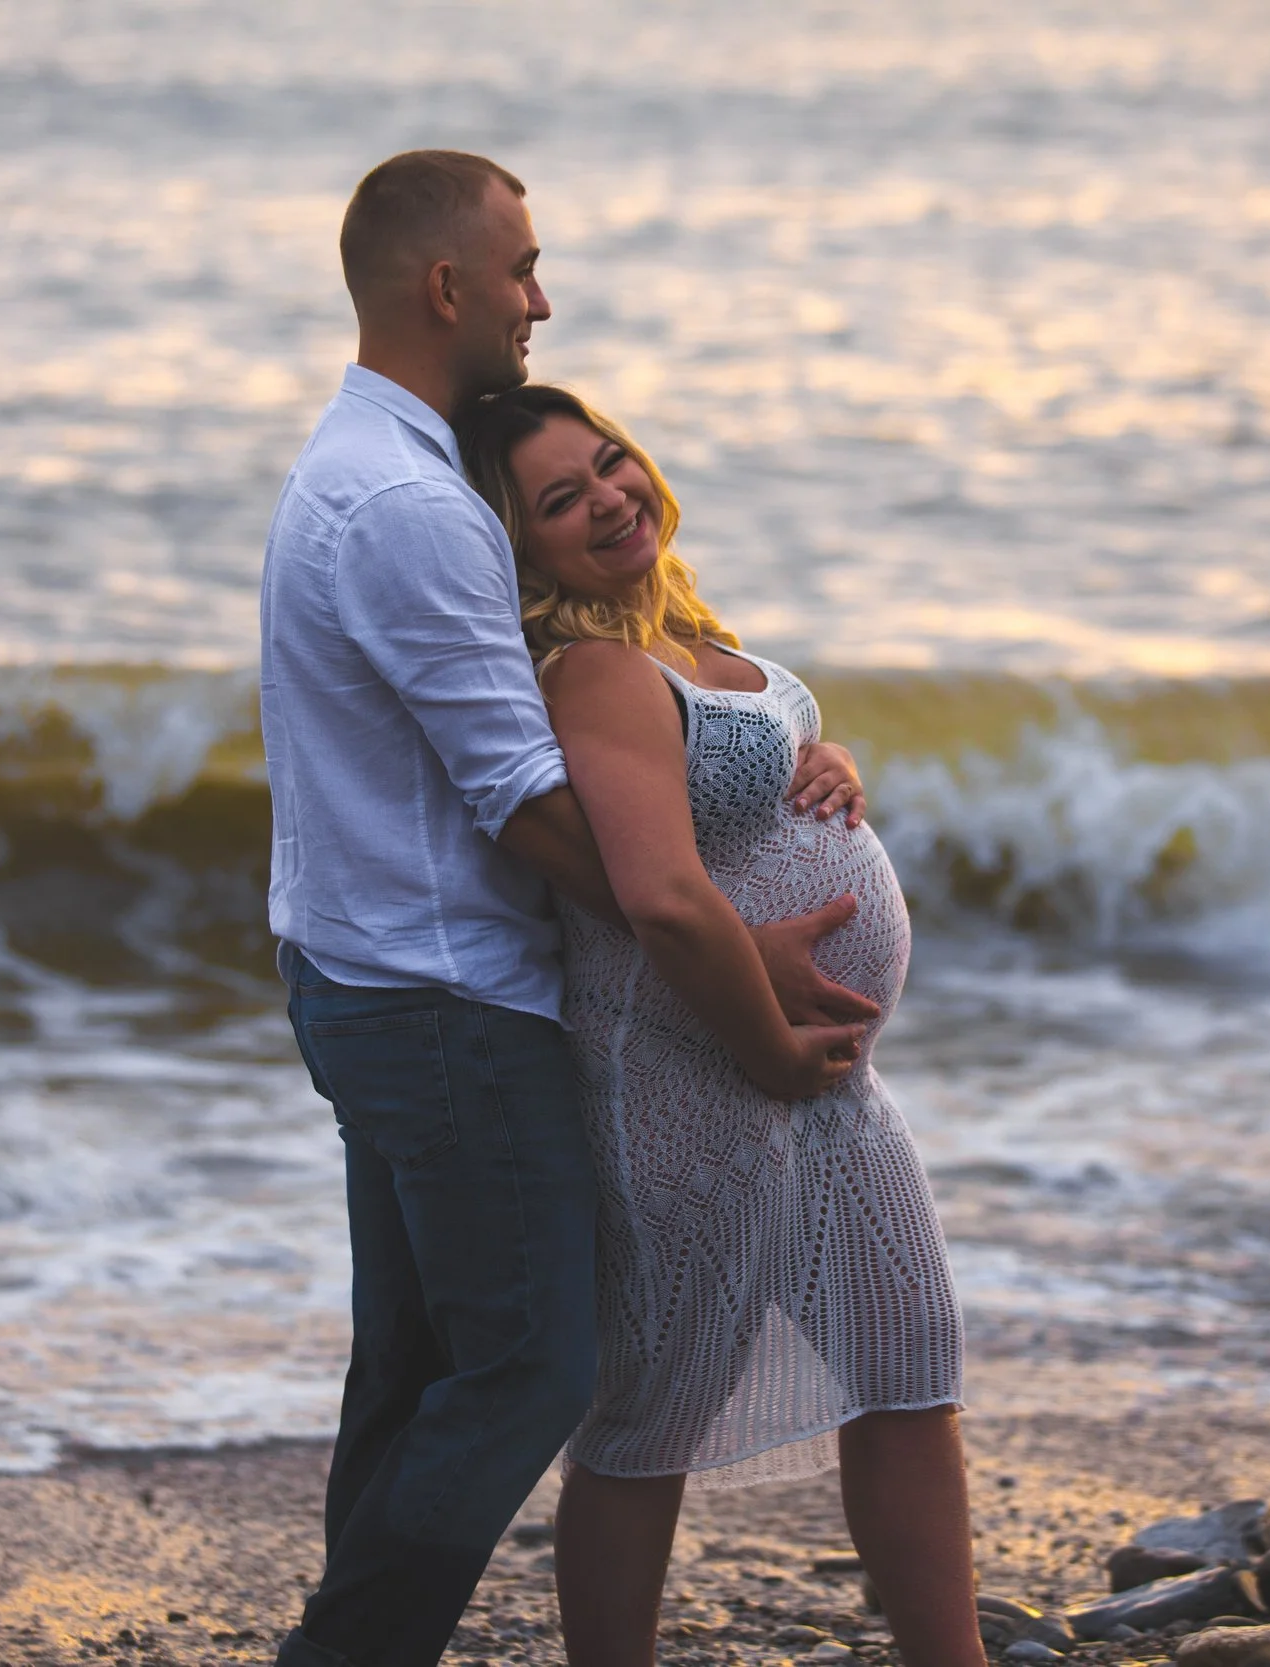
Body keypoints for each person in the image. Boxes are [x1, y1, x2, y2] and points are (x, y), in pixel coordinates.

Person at [259, 151, 882, 1667]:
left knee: (415, 1371)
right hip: (445, 1001)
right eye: (523, 269)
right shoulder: (407, 505)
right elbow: (523, 802)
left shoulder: (373, 467)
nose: (542, 300)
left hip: (384, 976)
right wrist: (731, 958)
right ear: (446, 287)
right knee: (534, 1365)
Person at [455, 384, 986, 1667]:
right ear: (521, 545)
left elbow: (753, 766)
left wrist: (833, 757)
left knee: (911, 1360)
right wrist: (764, 1046)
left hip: (816, 1080)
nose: (607, 498)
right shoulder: (592, 669)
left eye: (609, 463)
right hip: (694, 1074)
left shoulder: (684, 631)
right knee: (653, 1413)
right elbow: (663, 895)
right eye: (561, 500)